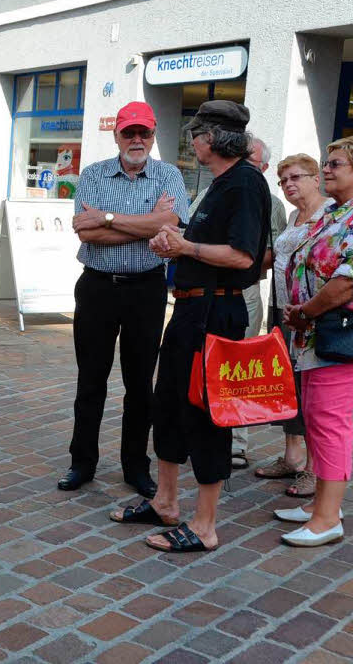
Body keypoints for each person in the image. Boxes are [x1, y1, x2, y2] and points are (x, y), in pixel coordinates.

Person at [112, 100, 269, 553]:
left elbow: (242, 257)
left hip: (216, 314)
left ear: (214, 139)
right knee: (170, 405)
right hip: (189, 311)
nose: (193, 143)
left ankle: (204, 525)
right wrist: (178, 247)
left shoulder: (244, 183)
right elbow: (203, 244)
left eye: (197, 135)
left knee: (206, 415)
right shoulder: (219, 183)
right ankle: (165, 502)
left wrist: (185, 248)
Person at [61, 102, 189, 499]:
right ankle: (82, 461)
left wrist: (110, 219)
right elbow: (86, 233)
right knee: (91, 380)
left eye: (144, 133)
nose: (137, 140)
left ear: (153, 135)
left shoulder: (169, 175)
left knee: (140, 383)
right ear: (116, 134)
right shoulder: (94, 174)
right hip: (98, 287)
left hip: (147, 289)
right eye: (129, 132)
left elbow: (171, 228)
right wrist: (148, 222)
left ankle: (136, 465)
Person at [189, 137, 287, 470]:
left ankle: (236, 444)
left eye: (252, 161)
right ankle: (203, 432)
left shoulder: (268, 200)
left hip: (239, 290)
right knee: (200, 364)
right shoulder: (212, 190)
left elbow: (272, 250)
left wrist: (237, 261)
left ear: (263, 167)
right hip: (202, 291)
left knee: (235, 367)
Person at [277, 137, 353, 546]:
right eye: (325, 163)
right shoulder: (336, 214)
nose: (327, 169)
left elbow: (345, 282)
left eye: (336, 164)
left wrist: (306, 311)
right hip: (312, 331)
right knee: (316, 418)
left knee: (330, 424)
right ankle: (321, 506)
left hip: (337, 331)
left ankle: (328, 519)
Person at [253, 154, 331, 496]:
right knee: (288, 385)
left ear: (316, 178)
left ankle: (316, 469)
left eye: (296, 177)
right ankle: (292, 456)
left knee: (314, 392)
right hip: (284, 310)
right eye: (283, 180)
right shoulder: (294, 215)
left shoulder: (330, 213)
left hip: (313, 314)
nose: (288, 185)